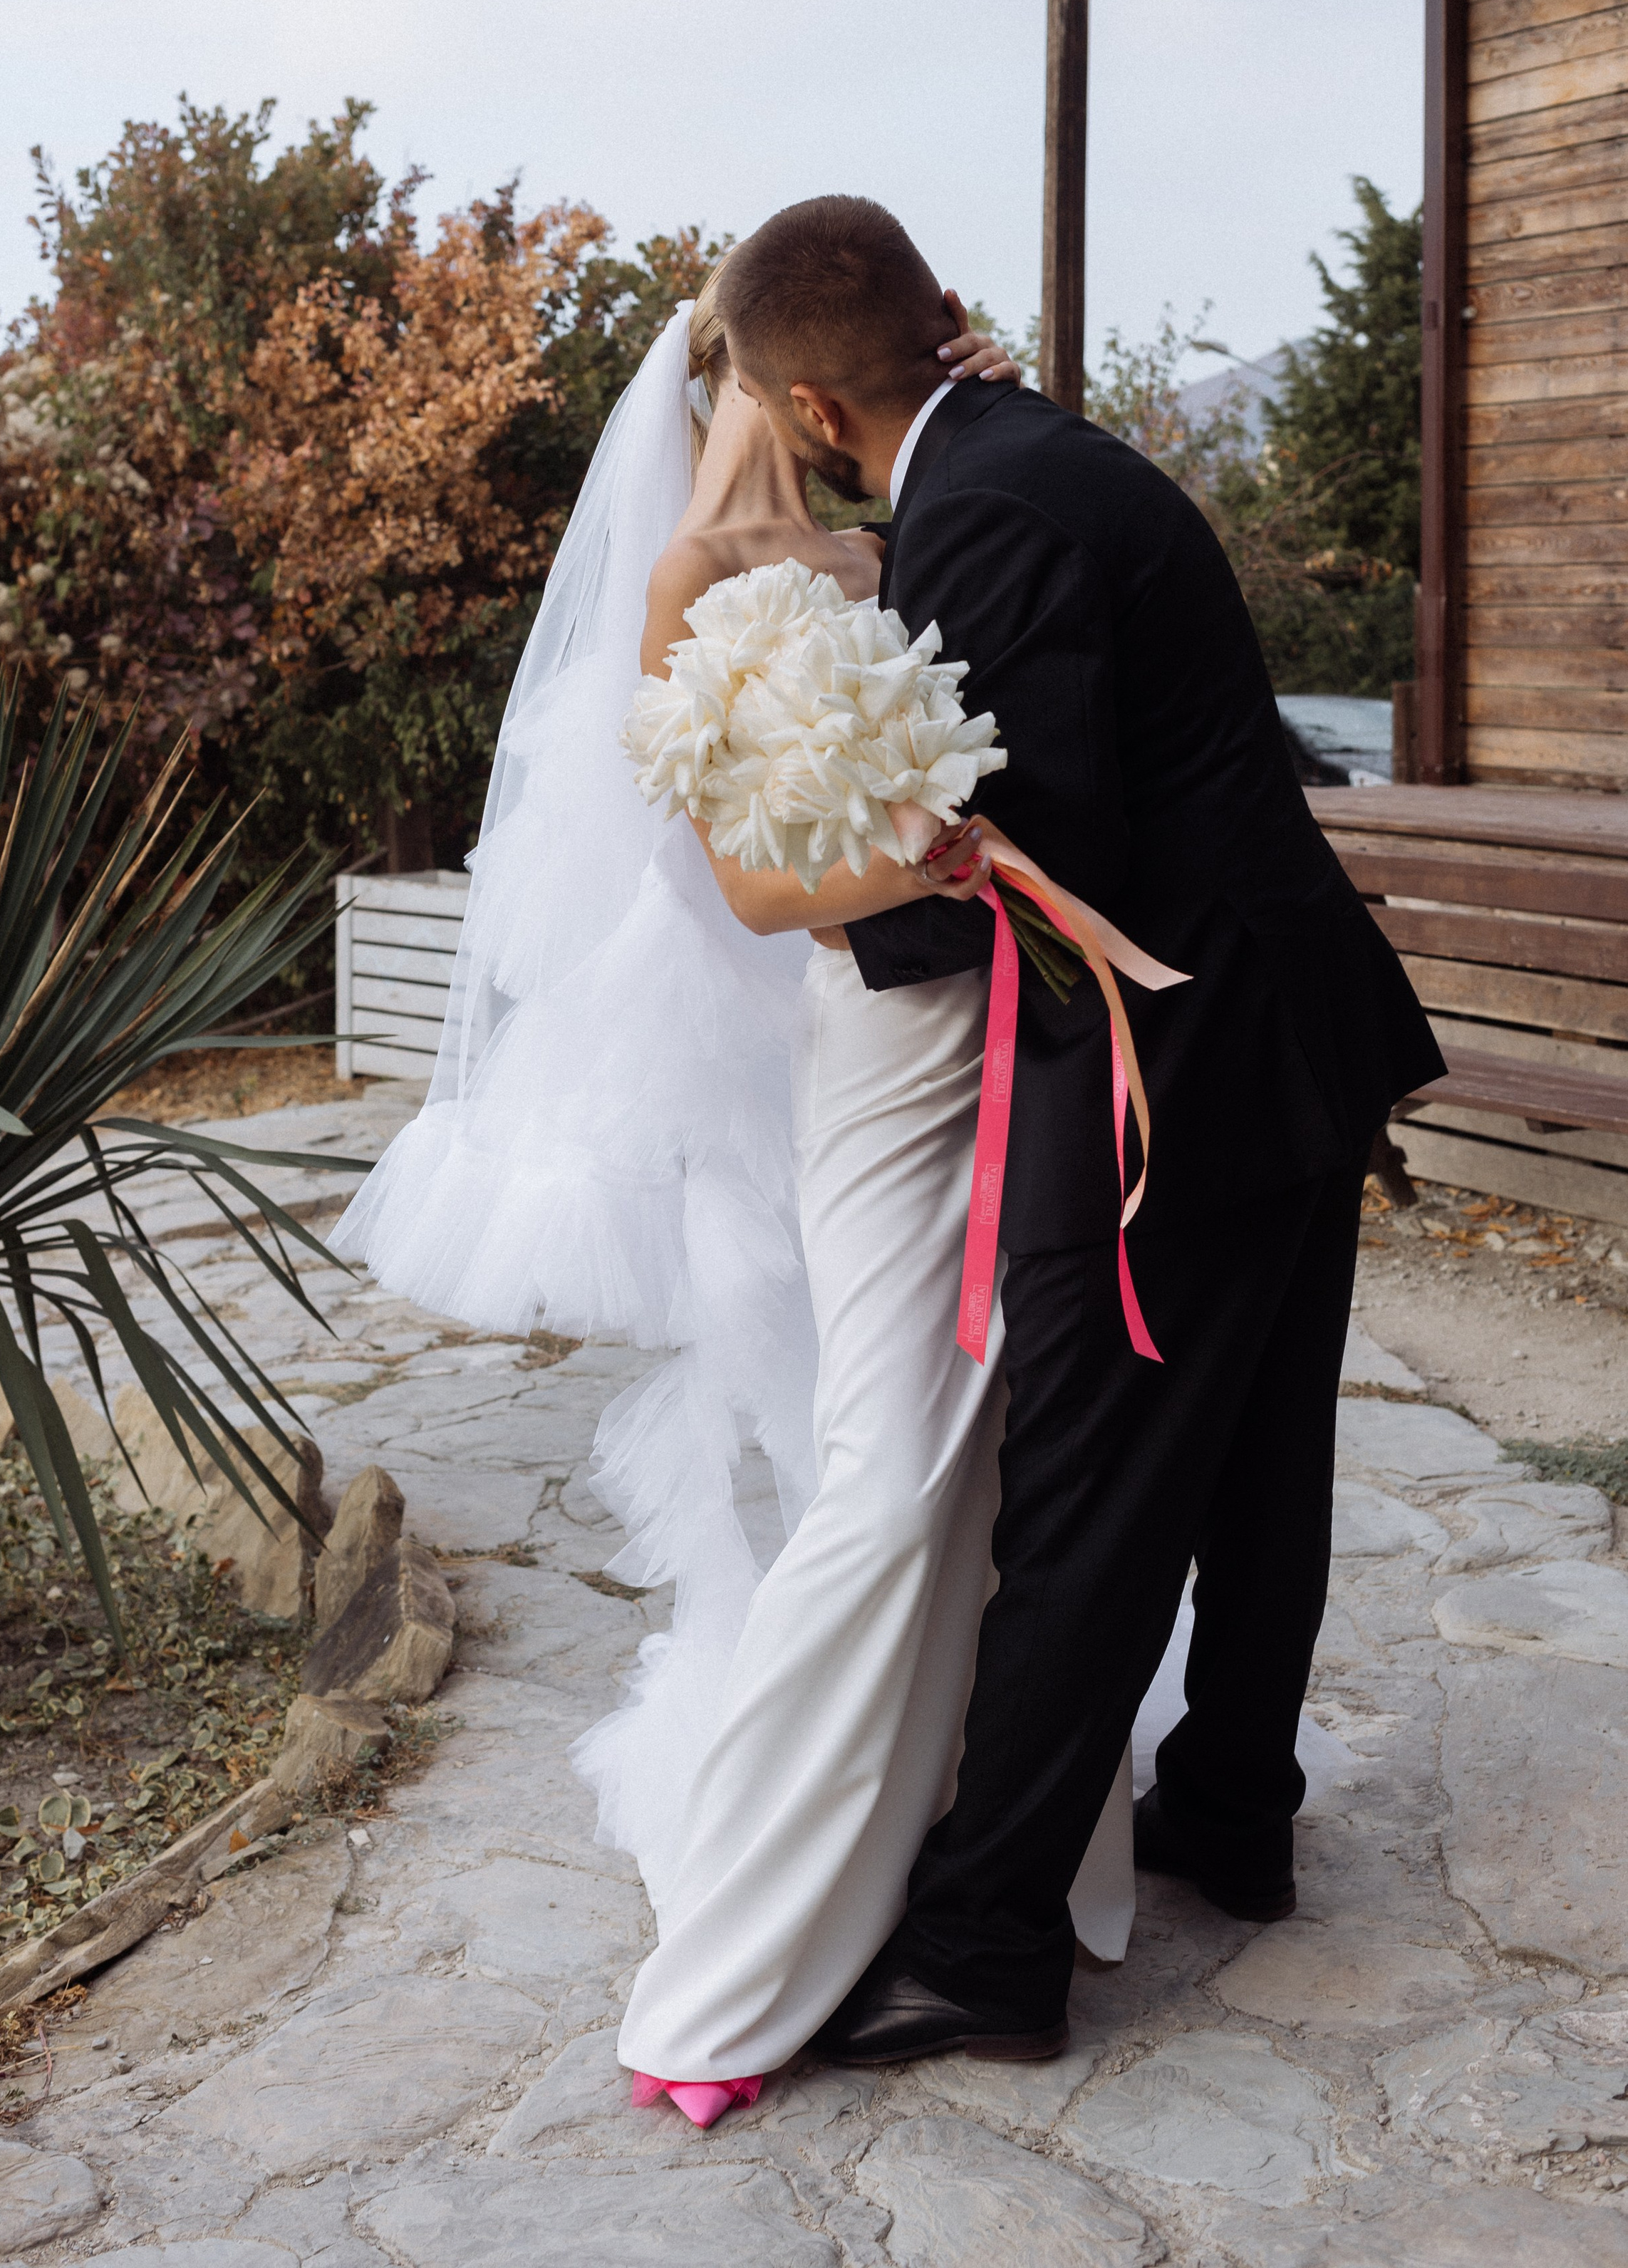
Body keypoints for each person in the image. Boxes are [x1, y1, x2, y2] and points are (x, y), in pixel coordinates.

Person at [332, 275, 1140, 2127]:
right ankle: (743, 1958)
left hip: (993, 1028)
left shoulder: (892, 531)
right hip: (858, 1047)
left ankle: (980, 1833)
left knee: (1002, 1440)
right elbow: (751, 889)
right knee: (883, 1459)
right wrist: (941, 851)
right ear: (754, 378)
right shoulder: (689, 582)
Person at [706, 195, 1443, 2069]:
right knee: (1258, 1457)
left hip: (1180, 1065)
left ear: (805, 401)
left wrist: (798, 904)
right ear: (932, 324)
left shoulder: (994, 501)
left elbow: (1034, 861)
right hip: (1281, 1023)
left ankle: (984, 1948)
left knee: (1089, 1501)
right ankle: (1230, 1813)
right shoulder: (1026, 461)